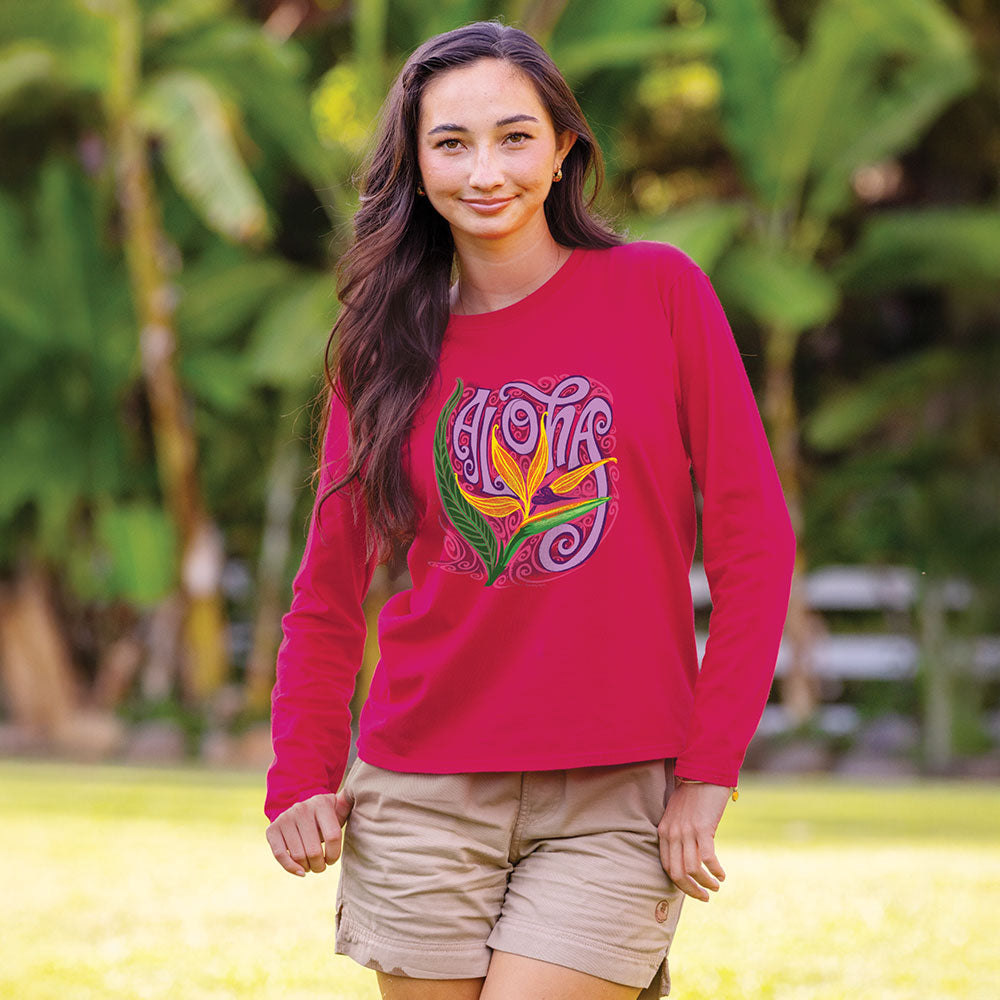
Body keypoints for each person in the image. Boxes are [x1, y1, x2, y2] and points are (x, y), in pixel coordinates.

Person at [264, 19, 796, 1000]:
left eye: (514, 136)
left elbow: (752, 545)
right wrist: (300, 771)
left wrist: (707, 771)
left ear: (563, 150)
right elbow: (330, 586)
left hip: (615, 789)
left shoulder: (659, 293)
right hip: (419, 790)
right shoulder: (379, 345)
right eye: (450, 143)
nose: (484, 170)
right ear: (415, 166)